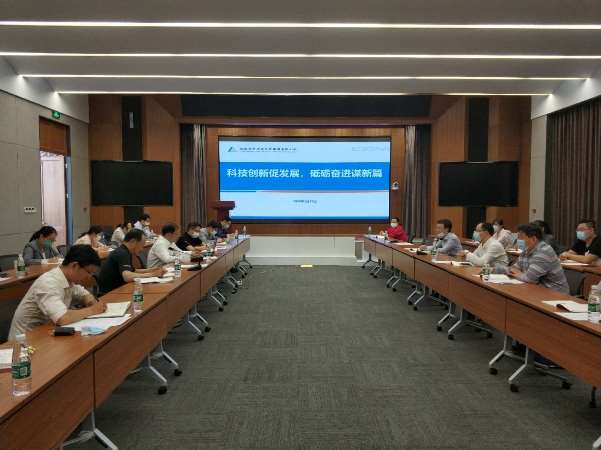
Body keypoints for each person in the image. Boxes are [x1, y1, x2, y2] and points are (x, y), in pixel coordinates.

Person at [8, 245, 107, 339]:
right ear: (75, 266)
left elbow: (85, 295)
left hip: (48, 332)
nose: (89, 277)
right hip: (25, 340)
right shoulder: (48, 282)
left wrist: (92, 303)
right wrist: (92, 310)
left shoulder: (69, 278)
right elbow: (62, 318)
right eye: (89, 272)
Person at [97, 229, 165, 294]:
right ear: (133, 241)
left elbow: (132, 270)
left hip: (118, 288)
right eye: (142, 245)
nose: (142, 249)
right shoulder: (122, 253)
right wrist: (152, 274)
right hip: (110, 293)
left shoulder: (125, 251)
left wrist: (151, 270)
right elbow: (127, 276)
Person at [507, 223, 569, 294]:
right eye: (518, 237)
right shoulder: (526, 250)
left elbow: (529, 279)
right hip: (537, 289)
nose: (518, 240)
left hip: (556, 294)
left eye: (521, 237)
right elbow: (513, 269)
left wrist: (519, 274)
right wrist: (521, 274)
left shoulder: (544, 251)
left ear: (533, 239)